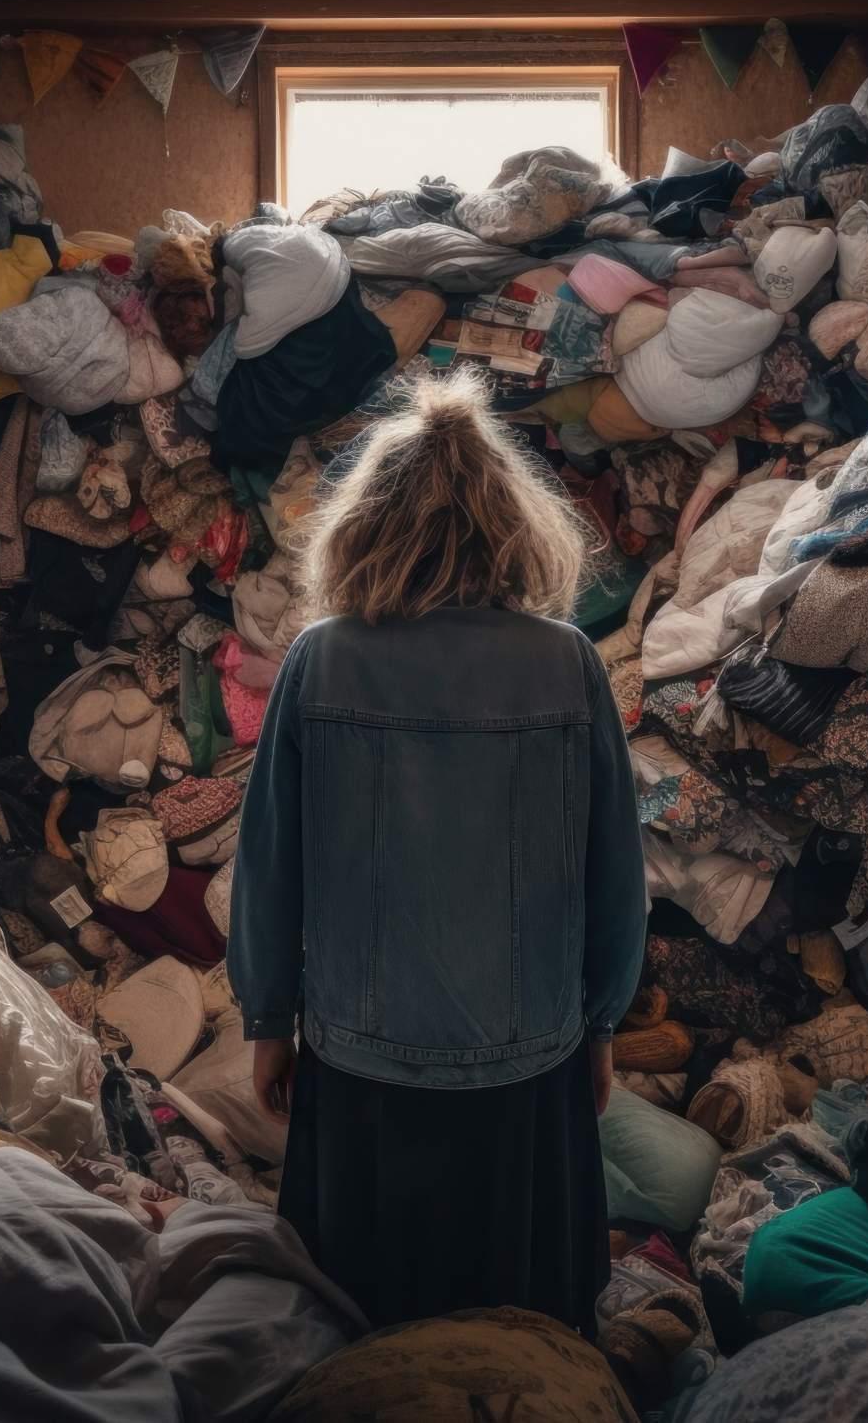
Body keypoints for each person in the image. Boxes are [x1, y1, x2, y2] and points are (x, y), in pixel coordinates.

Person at [229, 370, 647, 1338]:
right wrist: (597, 1024)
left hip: (360, 1071)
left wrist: (267, 1021)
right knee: (519, 1334)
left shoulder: (320, 659)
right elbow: (612, 877)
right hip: (527, 1067)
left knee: (367, 1337)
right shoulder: (566, 663)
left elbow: (268, 865)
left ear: (365, 523)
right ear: (511, 521)